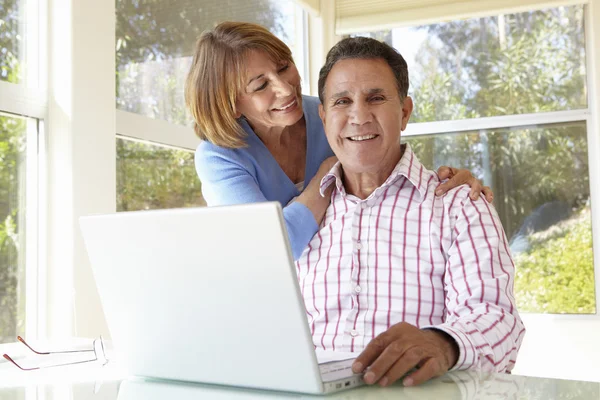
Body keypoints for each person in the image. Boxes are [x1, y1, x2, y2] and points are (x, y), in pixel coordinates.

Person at [295, 36, 524, 387]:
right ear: (324, 116)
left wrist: (444, 343)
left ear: (404, 112)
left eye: (376, 98)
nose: (358, 116)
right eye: (342, 101)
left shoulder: (459, 206)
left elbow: (497, 319)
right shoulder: (301, 220)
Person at [185, 21, 493, 260]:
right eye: (261, 85)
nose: (285, 88)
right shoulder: (220, 157)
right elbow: (271, 248)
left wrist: (448, 182)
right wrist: (327, 173)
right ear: (231, 103)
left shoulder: (331, 111)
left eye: (283, 67)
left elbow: (388, 169)